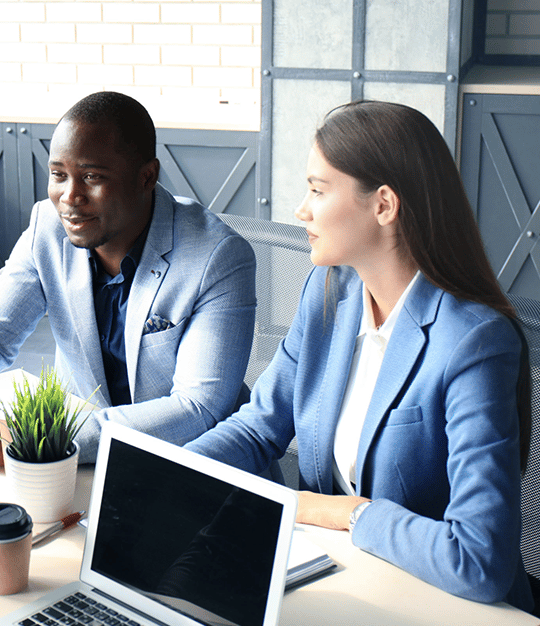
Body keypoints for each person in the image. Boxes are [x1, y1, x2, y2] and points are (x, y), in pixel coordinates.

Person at [184, 100, 533, 612]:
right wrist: (169, 473)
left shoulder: (474, 343)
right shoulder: (329, 292)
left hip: (436, 605)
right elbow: (259, 427)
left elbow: (478, 560)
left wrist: (346, 514)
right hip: (335, 582)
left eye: (318, 190)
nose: (301, 209)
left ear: (384, 205)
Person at [0, 91, 256, 465]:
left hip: (194, 465)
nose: (70, 197)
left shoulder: (218, 257)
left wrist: (33, 442)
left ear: (146, 176)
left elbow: (196, 408)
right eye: (58, 175)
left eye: (91, 177)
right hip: (88, 466)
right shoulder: (47, 230)